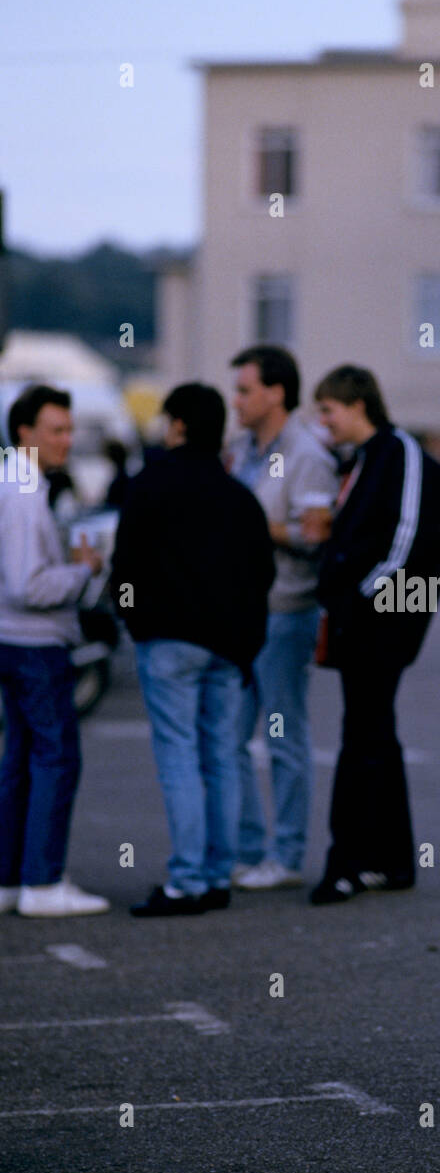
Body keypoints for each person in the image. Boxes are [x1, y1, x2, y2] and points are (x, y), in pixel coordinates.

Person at [109, 383, 275, 916]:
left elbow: (125, 565)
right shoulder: (240, 496)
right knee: (222, 757)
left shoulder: (148, 485)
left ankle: (185, 880)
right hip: (228, 648)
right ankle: (216, 874)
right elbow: (262, 577)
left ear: (177, 425)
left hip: (168, 641)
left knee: (179, 757)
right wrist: (246, 644)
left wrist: (135, 622)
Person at [305, 365, 440, 905]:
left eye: (328, 410)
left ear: (356, 403)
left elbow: (409, 537)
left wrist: (358, 598)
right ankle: (391, 860)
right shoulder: (361, 460)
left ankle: (345, 864)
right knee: (374, 734)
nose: (324, 422)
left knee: (360, 736)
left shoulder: (399, 450)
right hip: (361, 616)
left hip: (382, 619)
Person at [228, 345, 338, 891]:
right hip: (243, 611)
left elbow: (314, 534)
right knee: (228, 734)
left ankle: (287, 854)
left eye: (245, 390)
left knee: (283, 736)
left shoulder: (307, 453)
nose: (236, 400)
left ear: (275, 392)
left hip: (286, 611)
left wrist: (249, 526)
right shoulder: (242, 448)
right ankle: (248, 850)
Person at [0, 384, 109, 916]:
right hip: (33, 640)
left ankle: (14, 878)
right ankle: (41, 882)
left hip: (14, 638)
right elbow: (28, 585)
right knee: (55, 756)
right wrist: (82, 571)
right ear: (24, 432)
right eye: (56, 430)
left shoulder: (14, 482)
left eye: (68, 429)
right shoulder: (22, 491)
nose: (67, 440)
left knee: (22, 758)